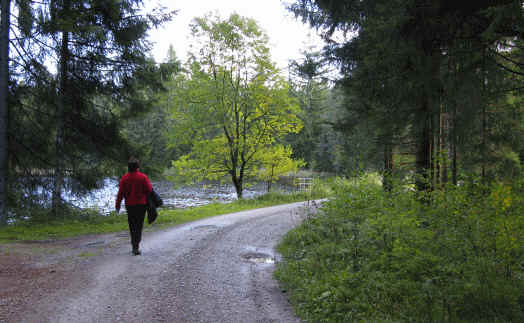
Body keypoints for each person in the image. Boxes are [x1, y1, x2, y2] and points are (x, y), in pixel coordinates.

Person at [115, 157, 152, 255]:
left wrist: (117, 205)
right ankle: (136, 245)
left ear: (128, 167)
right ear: (137, 167)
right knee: (139, 225)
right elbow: (149, 189)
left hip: (130, 205)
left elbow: (120, 193)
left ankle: (134, 245)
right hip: (141, 205)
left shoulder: (124, 178)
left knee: (132, 225)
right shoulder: (143, 177)